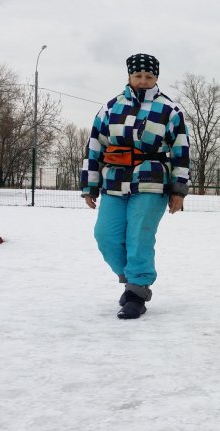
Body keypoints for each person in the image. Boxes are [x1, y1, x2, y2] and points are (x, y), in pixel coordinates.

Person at [80, 53, 190, 320]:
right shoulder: (110, 109)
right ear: (129, 76)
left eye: (149, 77)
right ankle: (132, 279)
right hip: (114, 181)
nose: (143, 81)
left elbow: (181, 151)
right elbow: (94, 146)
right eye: (138, 76)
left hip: (152, 181)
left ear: (156, 78)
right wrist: (89, 185)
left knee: (139, 236)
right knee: (105, 235)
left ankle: (137, 291)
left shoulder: (170, 110)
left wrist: (178, 191)